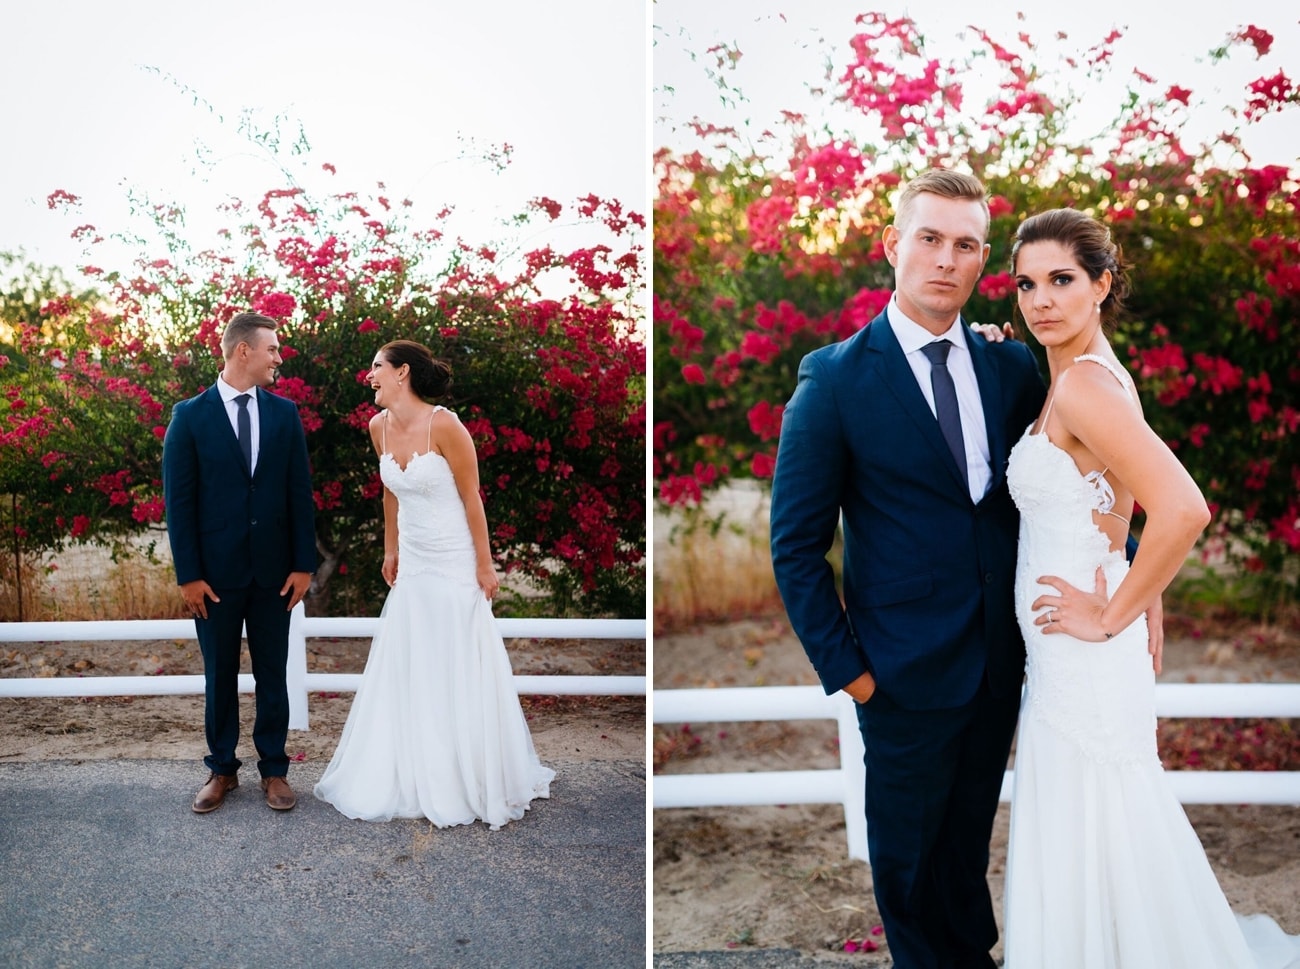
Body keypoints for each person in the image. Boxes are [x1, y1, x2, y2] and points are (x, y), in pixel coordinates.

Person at [1002, 208, 1300, 967]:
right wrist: (1142, 587)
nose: (1040, 300)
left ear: (1102, 284)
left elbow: (1184, 507)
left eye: (1062, 280)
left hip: (1083, 651)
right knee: (1095, 823)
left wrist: (1112, 614)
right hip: (1066, 652)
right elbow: (1119, 502)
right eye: (1027, 283)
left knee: (1100, 816)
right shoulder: (1082, 375)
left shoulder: (1082, 389)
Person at [769, 169, 1050, 968]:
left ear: (983, 258)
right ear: (893, 244)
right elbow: (795, 545)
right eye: (928, 238)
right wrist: (852, 673)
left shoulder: (1011, 369)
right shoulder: (835, 379)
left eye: (965, 245)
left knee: (964, 855)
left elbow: (1059, 488)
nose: (945, 259)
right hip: (897, 675)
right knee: (906, 869)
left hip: (998, 662)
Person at [313, 339, 553, 828]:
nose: (369, 376)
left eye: (376, 367)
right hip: (415, 563)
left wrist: (484, 566)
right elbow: (389, 494)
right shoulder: (376, 428)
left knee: (456, 658)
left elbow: (472, 498)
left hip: (454, 560)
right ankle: (414, 767)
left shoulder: (445, 424)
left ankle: (467, 773)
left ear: (402, 373)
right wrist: (390, 548)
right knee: (412, 659)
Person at [162, 311, 317, 814]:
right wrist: (188, 575)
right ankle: (221, 770)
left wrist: (303, 564)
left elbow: (299, 493)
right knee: (219, 674)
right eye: (272, 349)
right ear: (243, 351)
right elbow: (178, 503)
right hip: (214, 577)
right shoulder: (189, 416)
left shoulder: (284, 413)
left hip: (275, 574)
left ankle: (274, 769)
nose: (278, 358)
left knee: (274, 672)